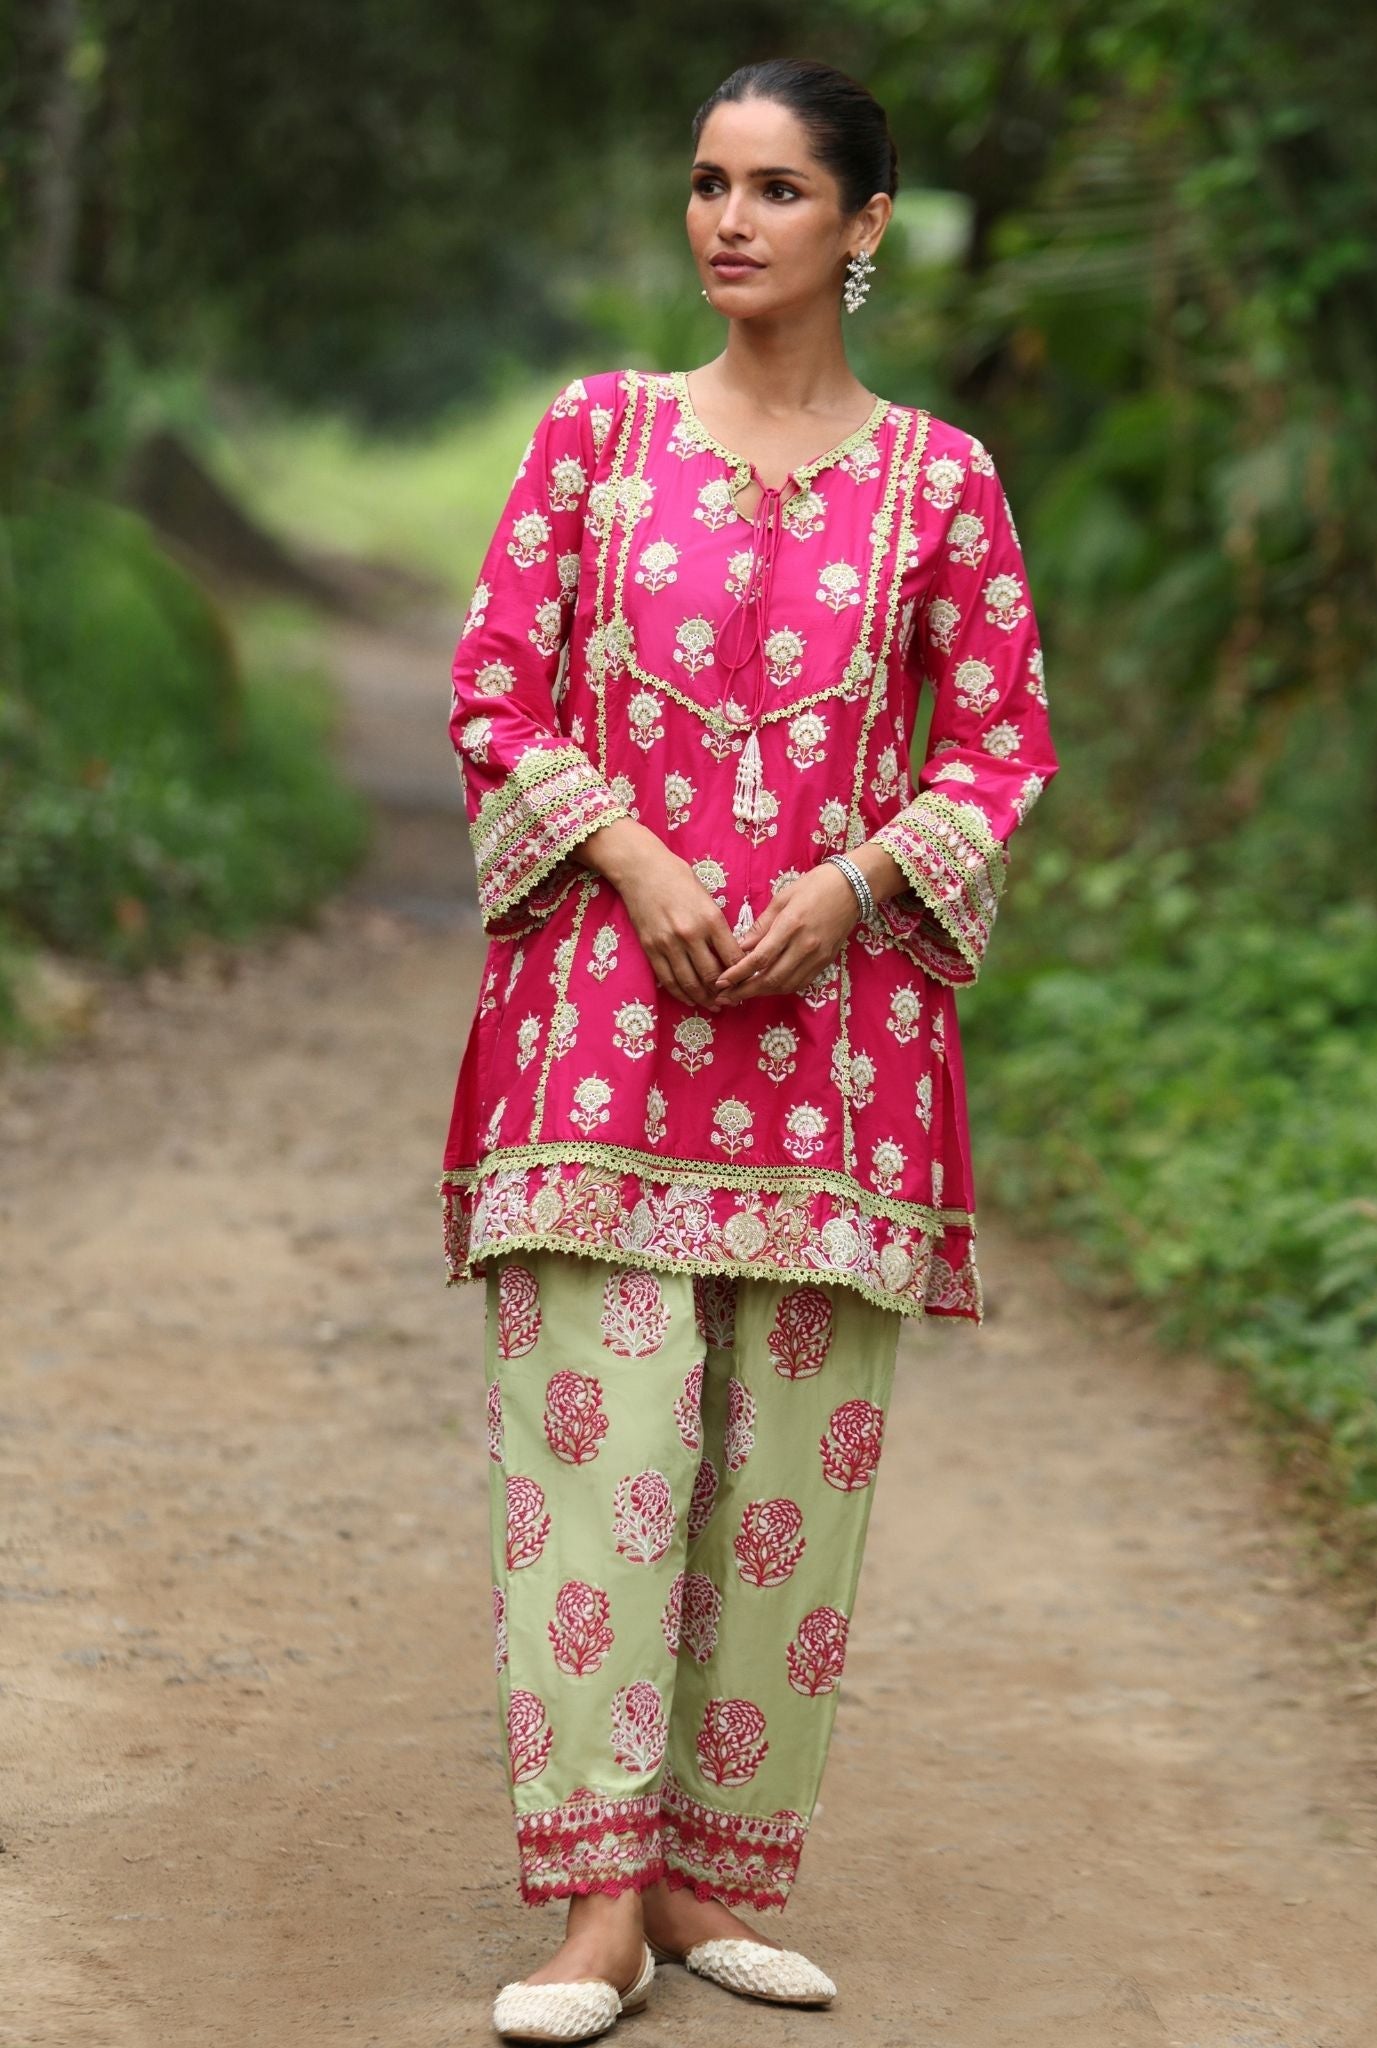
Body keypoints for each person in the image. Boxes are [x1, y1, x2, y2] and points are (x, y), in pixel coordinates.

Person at [436, 54, 1060, 2043]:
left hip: (834, 1060)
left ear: (863, 224)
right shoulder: (596, 435)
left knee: (786, 1479)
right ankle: (595, 1910)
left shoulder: (941, 483)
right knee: (601, 1462)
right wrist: (629, 852)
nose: (730, 219)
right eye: (709, 181)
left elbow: (1000, 747)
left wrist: (854, 888)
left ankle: (711, 1877)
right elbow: (495, 687)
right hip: (597, 1045)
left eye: (779, 188)